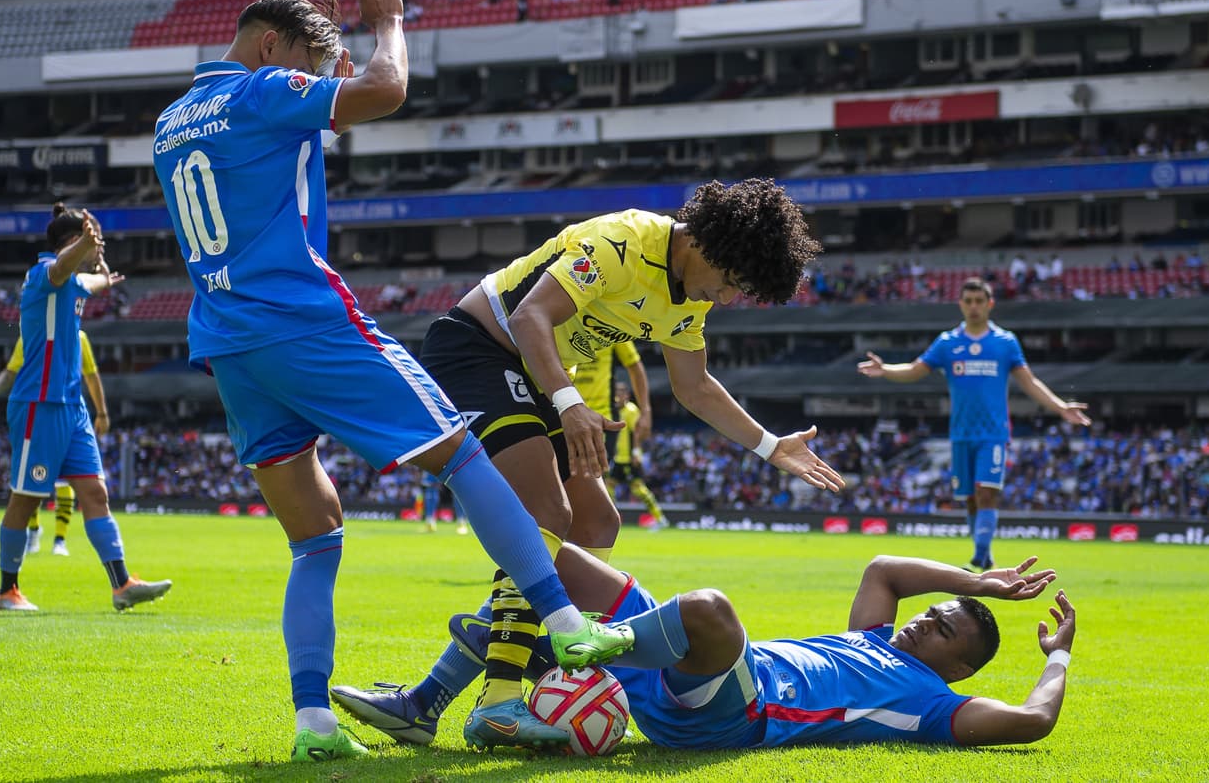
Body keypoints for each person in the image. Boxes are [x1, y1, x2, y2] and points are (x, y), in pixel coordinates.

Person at [149, 0, 633, 761]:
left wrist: (323, 69)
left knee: (315, 539)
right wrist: (389, 25)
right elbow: (386, 87)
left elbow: (277, 152)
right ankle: (567, 627)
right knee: (461, 451)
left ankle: (313, 725)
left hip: (229, 342)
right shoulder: (266, 88)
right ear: (273, 47)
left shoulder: (173, 120)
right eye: (314, 61)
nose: (318, 76)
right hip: (303, 320)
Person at [331, 178, 844, 750]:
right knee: (547, 509)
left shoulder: (687, 299)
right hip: (478, 348)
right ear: (706, 244)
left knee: (597, 521)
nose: (724, 298)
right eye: (728, 283)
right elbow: (529, 318)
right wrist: (570, 403)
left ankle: (432, 695)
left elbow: (694, 387)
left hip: (540, 375)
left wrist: (771, 446)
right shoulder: (624, 240)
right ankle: (498, 703)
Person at [351, 546, 1074, 749]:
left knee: (712, 609)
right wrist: (979, 580)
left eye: (942, 628)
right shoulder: (874, 637)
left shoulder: (931, 704)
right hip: (681, 664)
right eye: (932, 614)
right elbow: (884, 569)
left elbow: (1034, 722)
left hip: (731, 712)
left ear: (960, 665)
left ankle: (581, 652)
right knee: (544, 549)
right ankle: (425, 703)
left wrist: (1057, 656)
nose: (923, 623)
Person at [0, 204, 170, 614]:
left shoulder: (75, 281)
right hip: (39, 405)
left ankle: (121, 584)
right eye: (83, 240)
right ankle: (7, 590)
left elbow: (99, 279)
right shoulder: (42, 275)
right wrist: (86, 241)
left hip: (72, 406)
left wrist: (98, 257)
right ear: (71, 242)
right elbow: (63, 267)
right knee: (25, 499)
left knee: (95, 493)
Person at [857, 277, 1091, 570]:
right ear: (961, 304)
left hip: (993, 433)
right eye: (968, 301)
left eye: (979, 301)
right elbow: (916, 370)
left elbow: (1028, 382)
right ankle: (982, 549)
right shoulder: (947, 342)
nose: (974, 307)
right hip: (960, 434)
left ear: (989, 304)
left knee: (986, 493)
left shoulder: (1005, 342)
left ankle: (981, 554)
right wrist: (886, 370)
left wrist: (1060, 407)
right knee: (968, 498)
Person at [0, 329, 111, 556]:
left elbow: (91, 374)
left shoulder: (78, 337)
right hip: (34, 416)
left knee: (65, 482)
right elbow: (11, 371)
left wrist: (102, 413)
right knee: (31, 482)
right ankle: (32, 533)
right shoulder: (30, 335)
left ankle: (59, 540)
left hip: (67, 416)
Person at [566, 339, 653, 552]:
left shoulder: (612, 324)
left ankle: (581, 556)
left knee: (590, 486)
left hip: (601, 422)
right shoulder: (563, 320)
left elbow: (635, 365)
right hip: (566, 415)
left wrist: (646, 410)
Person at [609, 380, 666, 528]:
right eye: (616, 393)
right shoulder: (615, 411)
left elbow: (637, 433)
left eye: (620, 394)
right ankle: (612, 520)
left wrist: (635, 452)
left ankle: (660, 519)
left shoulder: (631, 410)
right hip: (618, 458)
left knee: (638, 489)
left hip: (629, 457)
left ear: (626, 395)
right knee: (609, 486)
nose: (617, 397)